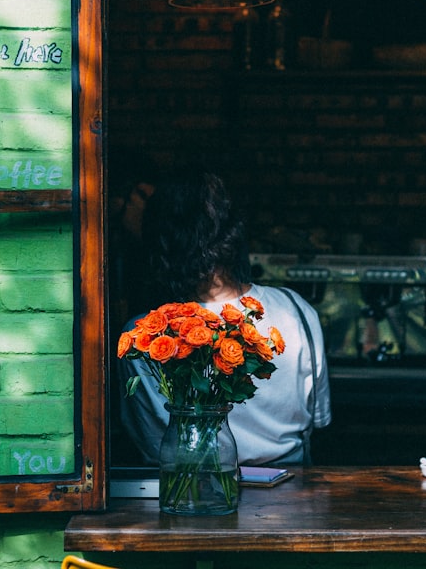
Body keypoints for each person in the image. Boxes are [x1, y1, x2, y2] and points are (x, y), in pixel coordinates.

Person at [118, 169, 331, 466]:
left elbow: (155, 446)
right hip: (292, 493)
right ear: (234, 233)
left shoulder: (144, 337)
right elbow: (319, 419)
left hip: (191, 493)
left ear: (160, 242)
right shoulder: (297, 309)